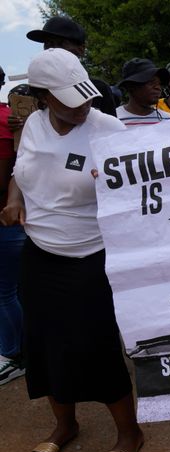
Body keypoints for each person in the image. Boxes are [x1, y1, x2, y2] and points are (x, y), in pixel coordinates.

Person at [0, 48, 143, 452]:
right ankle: (65, 425)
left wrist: (116, 185)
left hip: (91, 258)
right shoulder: (33, 127)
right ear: (43, 95)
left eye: (84, 95)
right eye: (68, 98)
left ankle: (129, 432)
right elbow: (19, 175)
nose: (82, 105)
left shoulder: (108, 128)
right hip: (40, 256)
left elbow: (140, 193)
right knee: (43, 347)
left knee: (95, 348)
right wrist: (12, 200)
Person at [25, 16, 117, 117]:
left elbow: (113, 131)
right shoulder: (36, 88)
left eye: (61, 43)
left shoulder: (99, 88)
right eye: (48, 43)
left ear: (81, 49)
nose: (53, 49)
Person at [0, 64, 26, 386]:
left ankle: (15, 354)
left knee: (4, 291)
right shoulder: (11, 116)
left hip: (6, 217)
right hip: (15, 215)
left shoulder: (5, 120)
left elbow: (6, 173)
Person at [116, 58, 170, 127]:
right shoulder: (114, 120)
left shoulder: (168, 120)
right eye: (151, 82)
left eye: (159, 83)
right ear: (131, 86)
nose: (158, 87)